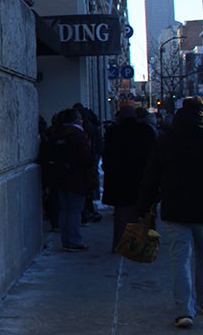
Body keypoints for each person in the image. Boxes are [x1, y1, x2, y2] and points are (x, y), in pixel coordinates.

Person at [138, 97, 203, 328]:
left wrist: (145, 204)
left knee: (180, 258)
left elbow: (151, 177)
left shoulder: (165, 142)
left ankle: (184, 309)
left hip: (175, 208)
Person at [102, 103, 157, 252]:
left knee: (121, 213)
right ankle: (141, 244)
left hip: (119, 180)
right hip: (141, 178)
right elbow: (152, 155)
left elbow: (107, 157)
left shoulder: (113, 132)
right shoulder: (145, 131)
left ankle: (120, 244)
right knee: (142, 213)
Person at [41, 108, 98, 251]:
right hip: (76, 178)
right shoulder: (78, 135)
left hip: (59, 177)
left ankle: (66, 240)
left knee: (64, 210)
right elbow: (86, 158)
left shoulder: (56, 133)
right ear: (77, 120)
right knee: (74, 211)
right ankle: (74, 240)